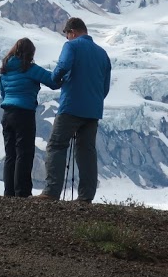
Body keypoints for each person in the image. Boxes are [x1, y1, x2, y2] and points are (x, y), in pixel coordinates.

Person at [37, 17, 112, 203]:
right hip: (93, 110)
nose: (67, 39)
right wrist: (94, 100)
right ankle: (85, 198)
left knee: (56, 145)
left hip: (71, 106)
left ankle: (51, 192)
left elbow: (63, 66)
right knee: (86, 150)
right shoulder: (103, 54)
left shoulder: (72, 46)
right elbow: (105, 87)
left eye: (67, 35)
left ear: (72, 32)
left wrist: (55, 80)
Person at [0, 38, 58, 197]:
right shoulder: (30, 69)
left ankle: (9, 193)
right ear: (30, 53)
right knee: (24, 153)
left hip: (7, 114)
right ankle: (22, 192)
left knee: (10, 155)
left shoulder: (4, 70)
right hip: (24, 114)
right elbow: (53, 81)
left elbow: (3, 94)